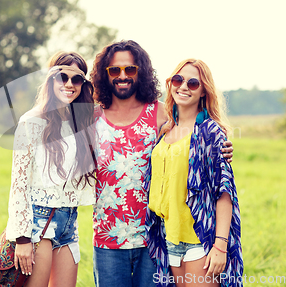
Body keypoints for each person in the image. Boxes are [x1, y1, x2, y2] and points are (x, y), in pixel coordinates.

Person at [90, 41, 235, 287]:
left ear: (141, 72)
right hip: (108, 240)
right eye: (115, 70)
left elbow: (202, 149)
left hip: (154, 238)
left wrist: (224, 148)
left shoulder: (159, 114)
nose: (123, 76)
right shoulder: (93, 117)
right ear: (104, 75)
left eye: (130, 69)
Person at [143, 59, 243, 287]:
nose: (183, 86)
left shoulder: (210, 132)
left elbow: (224, 192)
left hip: (201, 239)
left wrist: (220, 246)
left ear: (203, 91)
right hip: (169, 238)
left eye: (193, 83)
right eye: (177, 80)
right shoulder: (165, 131)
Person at [6, 51, 97, 287]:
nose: (69, 84)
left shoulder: (82, 121)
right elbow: (18, 184)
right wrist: (22, 238)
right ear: (50, 79)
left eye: (76, 79)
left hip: (69, 222)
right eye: (62, 77)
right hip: (38, 223)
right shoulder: (31, 121)